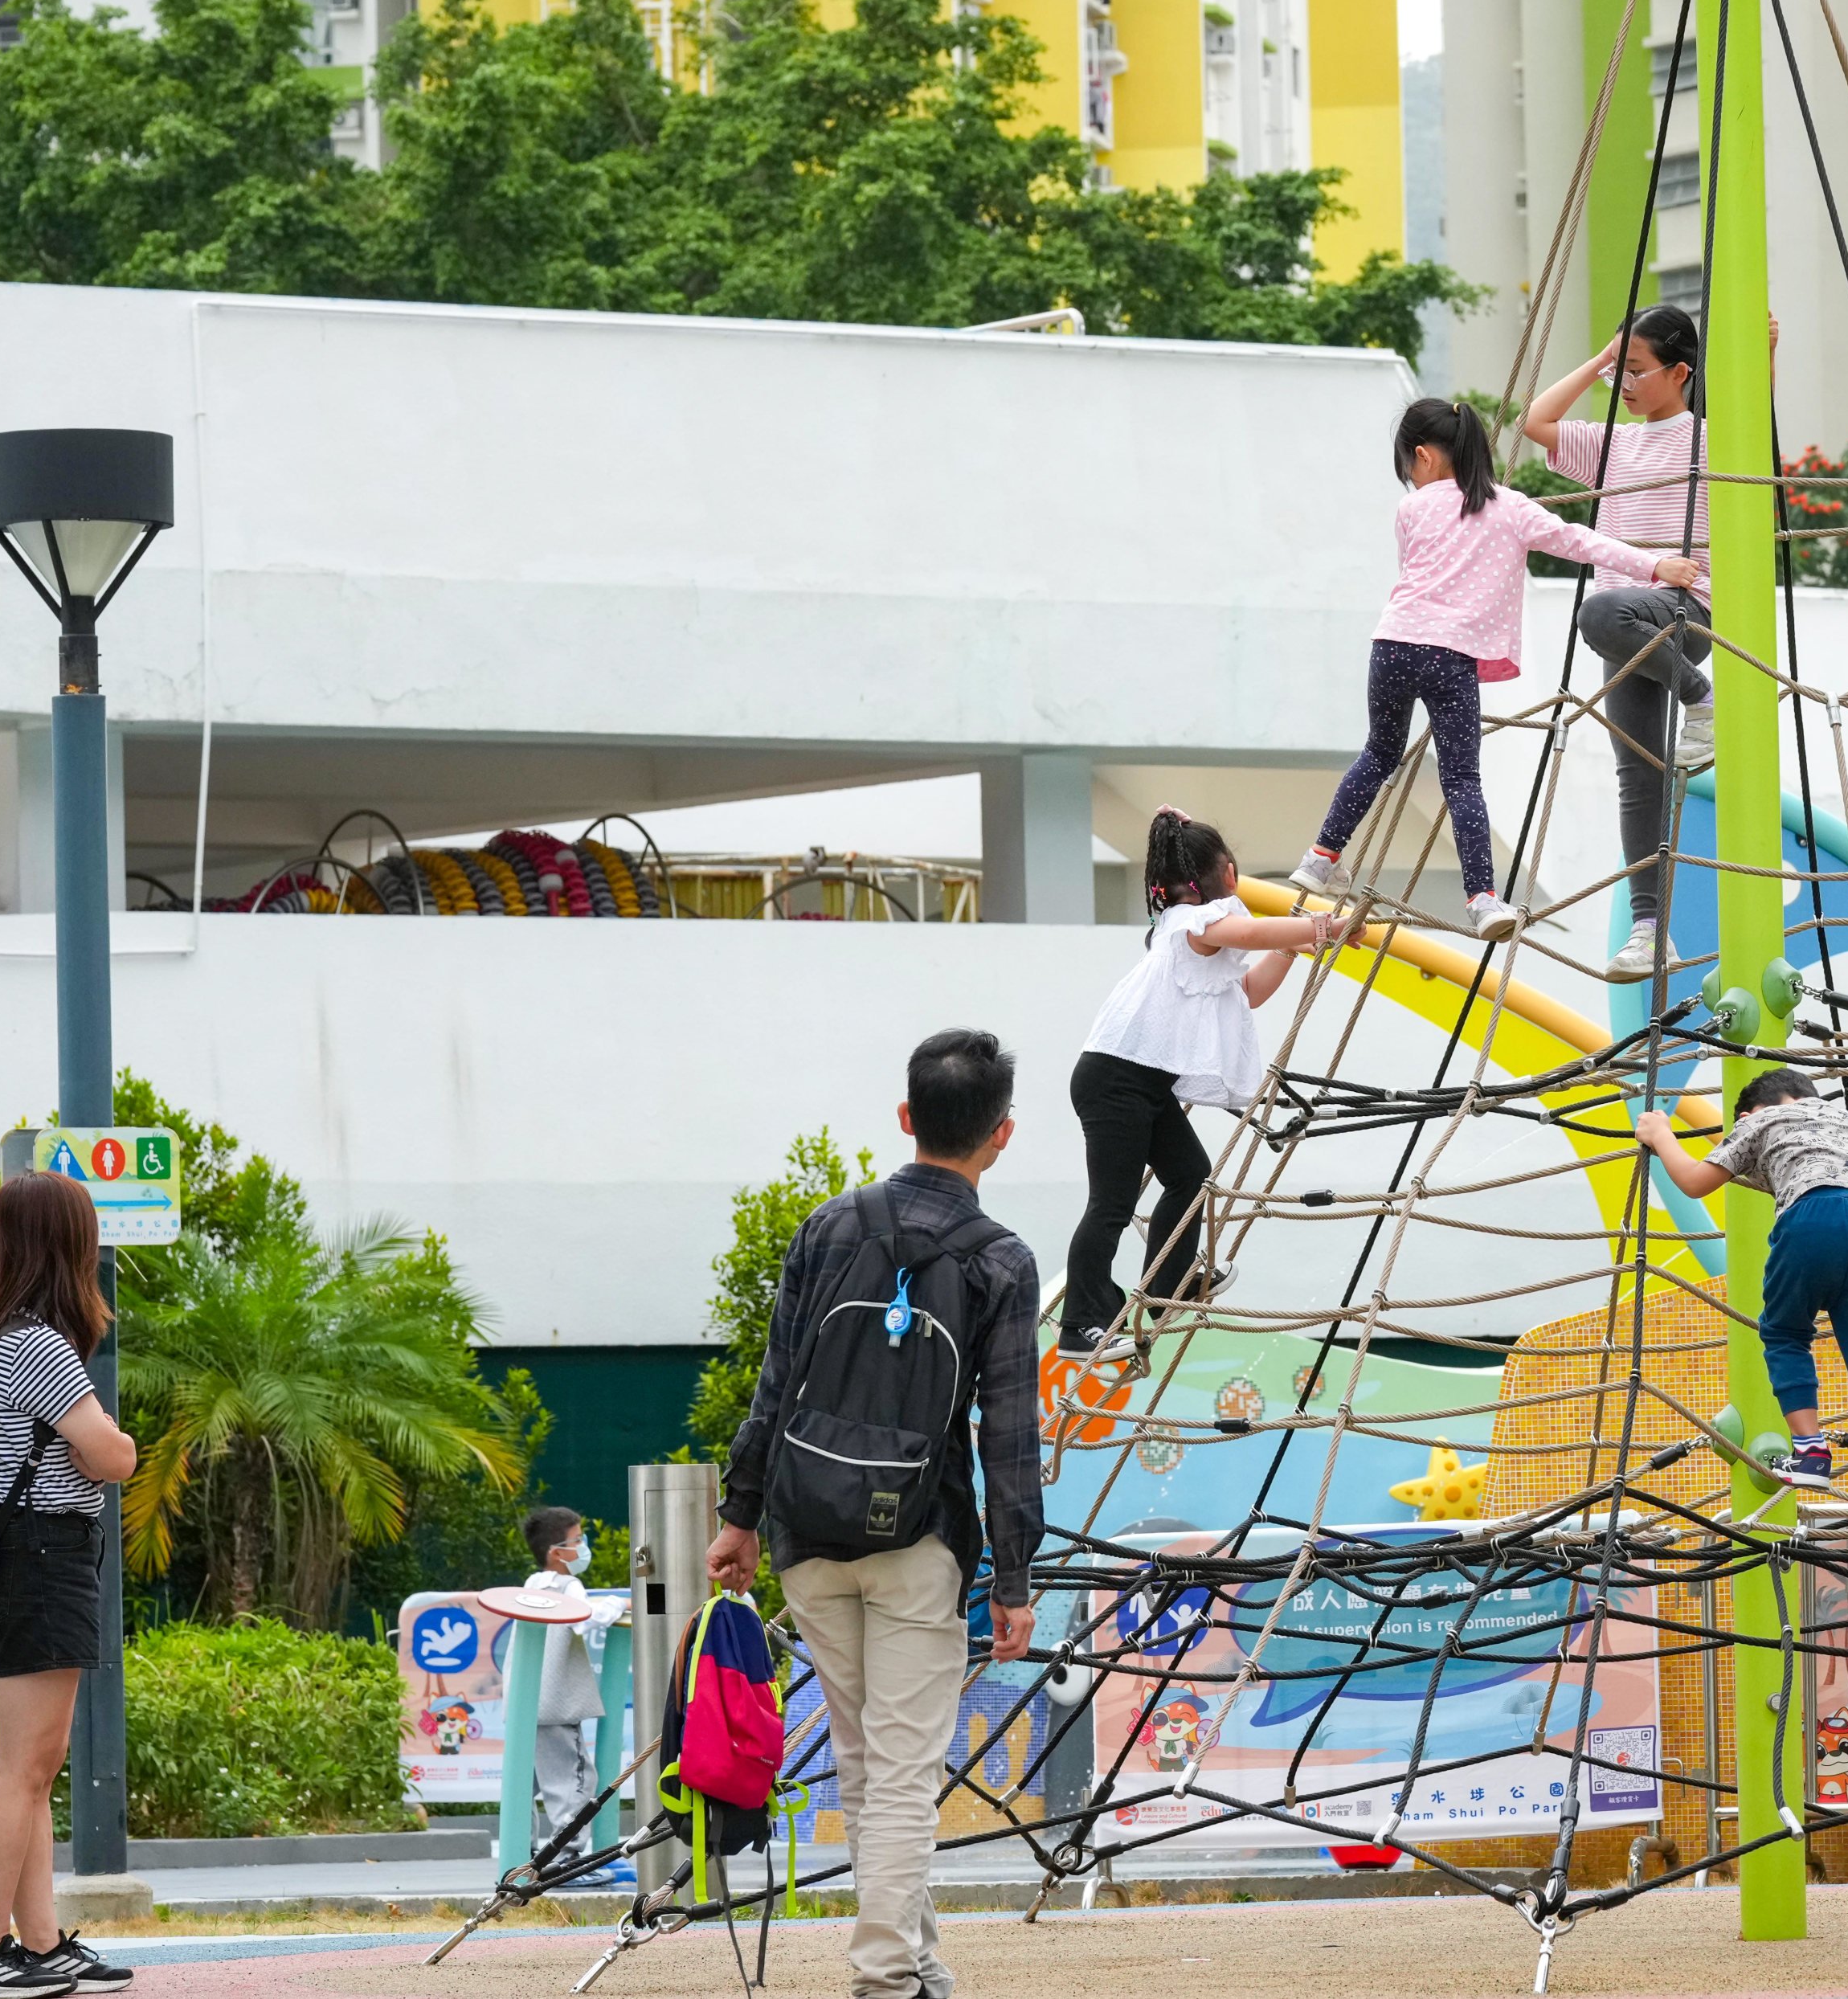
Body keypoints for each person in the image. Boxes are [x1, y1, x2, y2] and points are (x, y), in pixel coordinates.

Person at [708, 1031, 1043, 1999]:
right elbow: (1007, 1435)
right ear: (1002, 1136)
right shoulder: (1001, 1262)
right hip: (917, 1541)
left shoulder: (827, 1228)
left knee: (866, 1762)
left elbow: (776, 1385)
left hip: (806, 1532)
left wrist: (739, 1514)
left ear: (905, 1119)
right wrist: (1014, 1576)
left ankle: (919, 1961)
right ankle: (885, 1978)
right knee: (900, 1768)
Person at [1291, 395, 1699, 943]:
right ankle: (1482, 900)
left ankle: (1319, 858)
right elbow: (1582, 544)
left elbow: (1412, 572)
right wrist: (1654, 563)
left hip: (1390, 644)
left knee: (1378, 753)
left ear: (1423, 458)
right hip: (1449, 656)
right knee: (1461, 779)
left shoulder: (1410, 508)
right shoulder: (1511, 508)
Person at [1519, 307, 1773, 985]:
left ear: (1680, 372)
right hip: (1628, 621)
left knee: (1598, 609)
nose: (1623, 384)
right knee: (1639, 775)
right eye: (1619, 372)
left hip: (1684, 606)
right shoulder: (1611, 445)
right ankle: (1648, 930)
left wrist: (1762, 364)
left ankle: (1701, 697)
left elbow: (1755, 444)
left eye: (1635, 371)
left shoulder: (1707, 440)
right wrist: (1601, 359)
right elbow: (1534, 421)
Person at [0, 1171, 141, 1997]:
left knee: (32, 1763)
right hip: (37, 1556)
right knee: (22, 1768)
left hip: (25, 1556)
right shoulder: (34, 1343)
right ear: (68, 1245)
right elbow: (111, 1457)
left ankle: (40, 1944)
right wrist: (114, 1440)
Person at [1064, 807, 1342, 1361]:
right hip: (1115, 1077)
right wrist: (1320, 925)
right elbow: (1253, 929)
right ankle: (1079, 1324)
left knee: (1191, 1175)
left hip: (1137, 1079)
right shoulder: (1193, 925)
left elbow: (1252, 992)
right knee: (1111, 1205)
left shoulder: (1194, 939)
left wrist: (1294, 946)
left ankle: (1166, 1286)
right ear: (1230, 877)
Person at [1633, 1069, 1848, 1486]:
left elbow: (1694, 1182)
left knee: (1784, 1332)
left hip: (1813, 1219)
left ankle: (1811, 1454)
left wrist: (1660, 1134)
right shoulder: (1847, 1120)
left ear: (1747, 1114)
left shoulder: (1758, 1123)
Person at [518, 1506, 621, 1854]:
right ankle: (566, 1857)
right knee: (574, 1781)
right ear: (557, 1552)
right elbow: (582, 1619)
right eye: (578, 1540)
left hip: (527, 1703)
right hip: (557, 1706)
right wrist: (617, 1605)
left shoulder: (533, 1584)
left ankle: (522, 1853)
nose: (584, 1546)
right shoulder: (569, 1585)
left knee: (525, 1783)